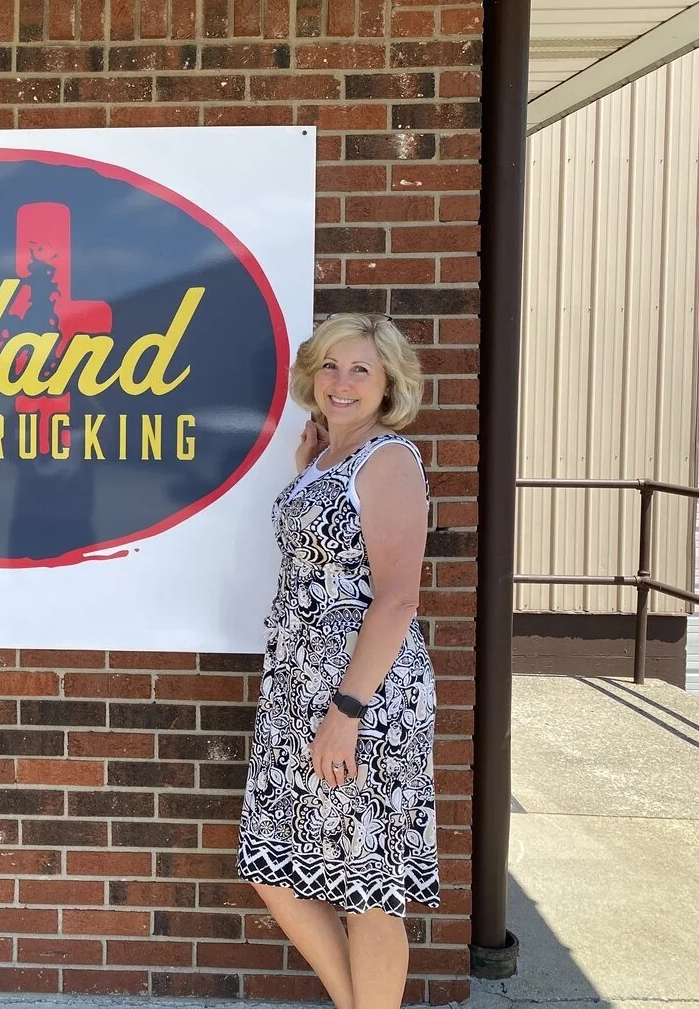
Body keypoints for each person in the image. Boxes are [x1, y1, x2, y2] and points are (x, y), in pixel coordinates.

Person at [237, 313, 438, 1009]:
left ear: (388, 384)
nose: (341, 382)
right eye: (330, 366)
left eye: (360, 370)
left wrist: (346, 712)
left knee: (367, 883)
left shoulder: (388, 460)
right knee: (276, 866)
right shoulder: (325, 459)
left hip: (364, 698)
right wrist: (304, 474)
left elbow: (397, 599)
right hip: (296, 689)